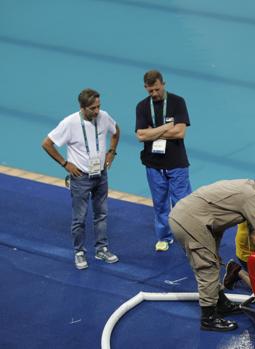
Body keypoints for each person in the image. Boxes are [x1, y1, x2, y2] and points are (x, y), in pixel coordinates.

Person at [168, 175, 255, 332]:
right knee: (207, 267)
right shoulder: (251, 196)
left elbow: (222, 219)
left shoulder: (245, 187)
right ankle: (208, 318)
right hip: (190, 221)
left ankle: (221, 304)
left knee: (213, 260)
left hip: (196, 219)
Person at [42, 88, 120, 270]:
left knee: (101, 214)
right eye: (93, 108)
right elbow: (46, 143)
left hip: (101, 175)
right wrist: (64, 163)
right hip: (80, 178)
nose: (97, 111)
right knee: (80, 218)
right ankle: (79, 252)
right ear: (82, 107)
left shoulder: (104, 116)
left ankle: (101, 249)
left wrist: (111, 152)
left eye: (99, 106)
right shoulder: (69, 123)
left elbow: (116, 131)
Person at [135, 70, 192, 252]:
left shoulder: (177, 102)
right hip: (154, 165)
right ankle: (164, 237)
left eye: (157, 89)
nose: (154, 94)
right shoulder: (142, 106)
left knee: (182, 204)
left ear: (163, 84)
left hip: (177, 164)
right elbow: (140, 136)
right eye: (150, 91)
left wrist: (152, 131)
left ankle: (188, 237)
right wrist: (167, 127)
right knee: (160, 204)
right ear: (145, 88)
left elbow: (180, 132)